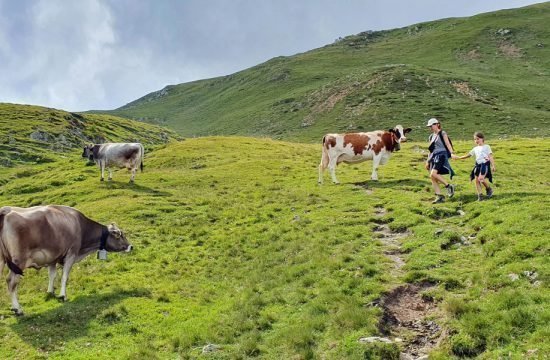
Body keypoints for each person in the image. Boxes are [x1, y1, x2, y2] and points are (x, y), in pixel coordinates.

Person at [452, 132, 495, 201]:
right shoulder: (475, 148)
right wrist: (459, 157)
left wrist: (493, 165)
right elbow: (468, 155)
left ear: (482, 138)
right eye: (475, 139)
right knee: (476, 181)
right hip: (477, 165)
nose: (476, 140)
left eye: (478, 139)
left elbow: (490, 156)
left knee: (481, 179)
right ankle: (480, 196)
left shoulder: (487, 146)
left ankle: (489, 189)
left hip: (484, 165)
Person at [425, 118, 456, 204]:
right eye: (429, 126)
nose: (430, 128)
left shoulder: (442, 133)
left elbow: (448, 144)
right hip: (433, 156)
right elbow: (430, 150)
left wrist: (452, 153)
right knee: (432, 177)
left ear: (437, 124)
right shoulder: (431, 136)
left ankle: (449, 186)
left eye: (431, 126)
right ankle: (439, 197)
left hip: (441, 155)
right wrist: (427, 161)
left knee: (433, 173)